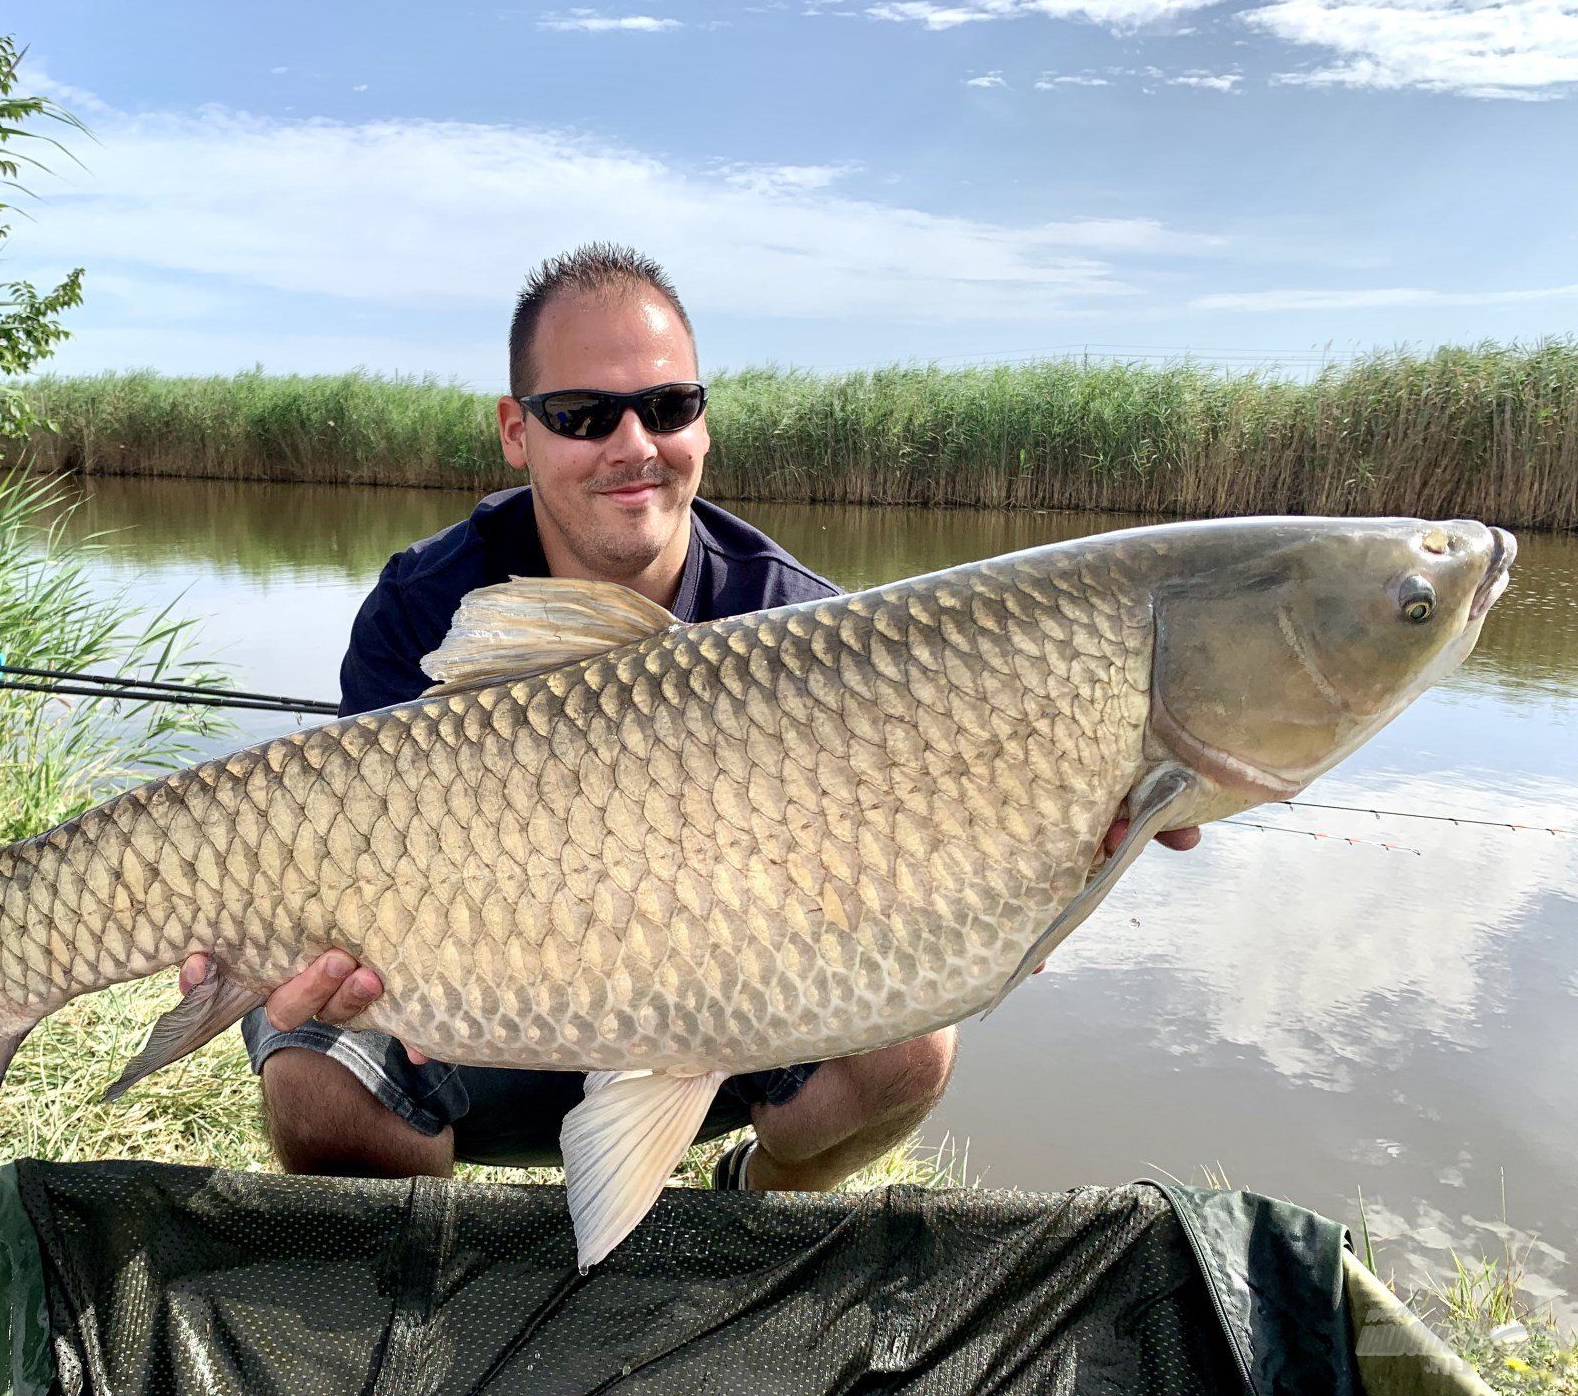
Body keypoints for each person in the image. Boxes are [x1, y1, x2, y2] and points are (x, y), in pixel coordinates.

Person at [179, 242, 1199, 1192]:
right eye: (585, 413)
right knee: (316, 1083)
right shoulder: (421, 603)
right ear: (515, 428)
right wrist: (338, 959)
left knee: (912, 1049)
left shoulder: (806, 629)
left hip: (727, 1010)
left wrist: (1047, 862)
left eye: (667, 406)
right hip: (465, 1010)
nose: (635, 446)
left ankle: (742, 1221)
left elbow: (897, 892)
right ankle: (433, 1288)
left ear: (701, 423)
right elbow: (347, 870)